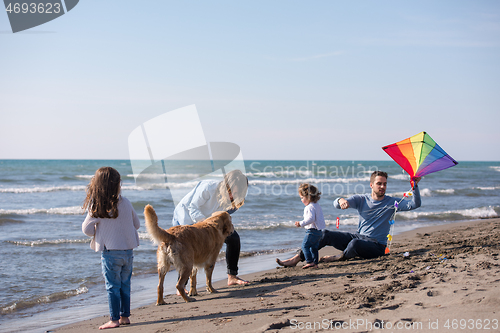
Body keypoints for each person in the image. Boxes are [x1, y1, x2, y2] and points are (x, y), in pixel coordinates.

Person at [277, 171, 421, 267]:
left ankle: (339, 257)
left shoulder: (392, 202)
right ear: (371, 185)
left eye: (384, 184)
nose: (382, 186)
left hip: (377, 246)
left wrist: (415, 186)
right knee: (324, 234)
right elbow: (336, 203)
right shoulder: (361, 199)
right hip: (358, 236)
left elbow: (414, 204)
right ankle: (297, 258)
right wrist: (340, 200)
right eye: (379, 183)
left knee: (355, 244)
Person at [82, 167, 140, 330]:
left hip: (110, 252)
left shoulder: (98, 205)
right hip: (128, 252)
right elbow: (137, 224)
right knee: (125, 284)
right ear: (117, 185)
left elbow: (86, 229)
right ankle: (124, 316)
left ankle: (114, 320)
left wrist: (99, 230)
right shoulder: (126, 202)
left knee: (112, 286)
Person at [172, 169, 250, 286]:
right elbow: (192, 207)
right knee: (188, 249)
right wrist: (206, 225)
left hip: (210, 223)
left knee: (233, 239)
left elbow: (226, 213)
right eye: (230, 192)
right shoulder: (208, 187)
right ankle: (182, 285)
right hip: (187, 217)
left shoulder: (235, 198)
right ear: (226, 186)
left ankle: (232, 277)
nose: (231, 196)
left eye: (235, 193)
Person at [295, 184, 326, 269]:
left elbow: (311, 219)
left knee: (305, 246)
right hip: (319, 231)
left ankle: (309, 261)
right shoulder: (317, 205)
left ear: (308, 197)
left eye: (302, 198)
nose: (301, 200)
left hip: (312, 231)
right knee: (314, 248)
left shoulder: (309, 207)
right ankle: (315, 263)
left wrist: (301, 223)